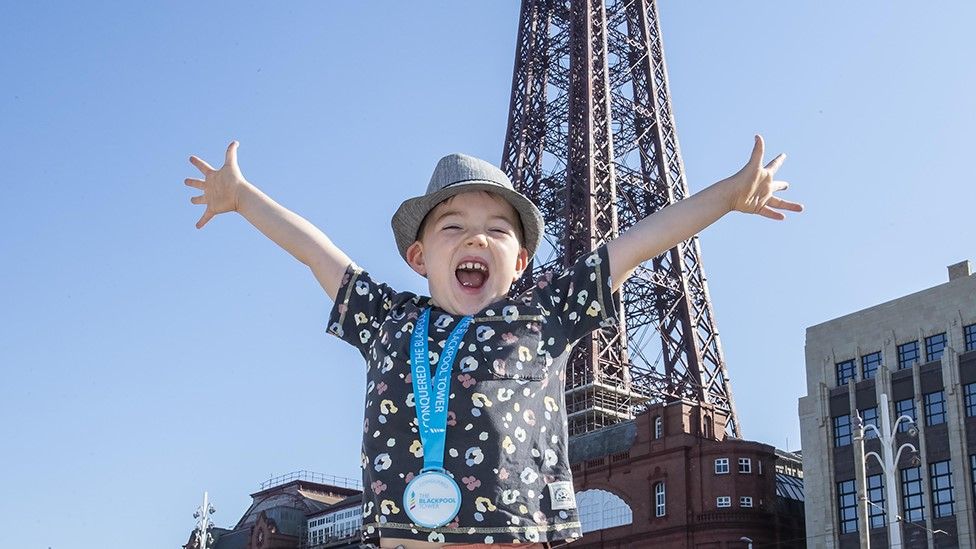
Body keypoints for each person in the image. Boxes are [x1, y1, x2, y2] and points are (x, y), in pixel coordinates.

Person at [184, 137, 801, 548]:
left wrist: (727, 195)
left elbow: (636, 244)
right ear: (419, 256)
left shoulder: (543, 315)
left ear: (523, 260)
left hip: (517, 533)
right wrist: (242, 197)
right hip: (405, 535)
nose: (475, 239)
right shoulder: (388, 319)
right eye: (453, 227)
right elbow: (317, 254)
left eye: (497, 231)